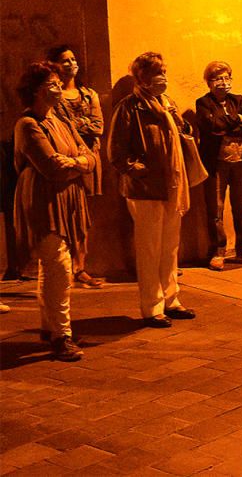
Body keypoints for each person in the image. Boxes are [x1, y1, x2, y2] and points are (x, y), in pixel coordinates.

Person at [13, 61, 96, 360]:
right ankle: (63, 335)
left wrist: (75, 162)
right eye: (52, 83)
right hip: (43, 202)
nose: (59, 87)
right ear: (36, 89)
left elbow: (90, 156)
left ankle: (50, 327)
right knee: (59, 266)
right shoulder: (28, 125)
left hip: (66, 199)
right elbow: (50, 167)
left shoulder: (60, 120)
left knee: (53, 265)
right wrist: (77, 164)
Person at [108, 52, 196, 328]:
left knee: (170, 246)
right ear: (142, 78)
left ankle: (172, 299)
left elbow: (181, 136)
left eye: (164, 72)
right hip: (145, 188)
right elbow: (115, 150)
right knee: (149, 248)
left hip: (172, 183)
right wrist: (136, 168)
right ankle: (152, 306)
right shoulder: (129, 107)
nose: (163, 79)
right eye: (157, 73)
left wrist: (180, 122)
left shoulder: (167, 103)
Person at [47, 44, 105, 289]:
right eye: (64, 60)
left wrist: (75, 124)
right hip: (68, 157)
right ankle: (67, 266)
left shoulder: (89, 94)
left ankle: (81, 266)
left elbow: (98, 126)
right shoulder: (54, 96)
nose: (71, 64)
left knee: (83, 215)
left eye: (73, 59)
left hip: (88, 156)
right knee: (67, 212)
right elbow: (59, 125)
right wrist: (80, 124)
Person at [195, 61, 242, 270]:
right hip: (216, 163)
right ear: (209, 82)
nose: (223, 83)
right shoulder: (203, 103)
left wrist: (230, 121)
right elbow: (212, 126)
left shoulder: (238, 100)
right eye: (217, 79)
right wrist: (236, 120)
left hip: (241, 160)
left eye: (226, 78)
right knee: (216, 208)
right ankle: (218, 251)